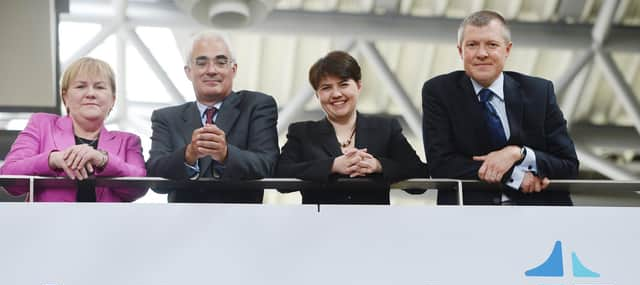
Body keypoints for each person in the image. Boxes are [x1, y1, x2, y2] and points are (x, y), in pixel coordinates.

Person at [422, 10, 578, 205]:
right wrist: (515, 177)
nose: (481, 53)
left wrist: (518, 154)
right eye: (472, 45)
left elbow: (569, 165)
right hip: (470, 217)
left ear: (507, 50)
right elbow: (440, 165)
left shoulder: (539, 92)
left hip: (540, 216)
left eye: (492, 45)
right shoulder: (439, 92)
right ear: (461, 51)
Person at [276, 51, 427, 204]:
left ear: (358, 86)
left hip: (373, 225)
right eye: (326, 88)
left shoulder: (385, 129)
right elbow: (280, 175)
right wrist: (332, 166)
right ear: (317, 94)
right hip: (319, 224)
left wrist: (379, 166)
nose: (336, 94)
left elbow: (420, 178)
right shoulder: (303, 133)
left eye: (344, 85)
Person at [146, 31, 279, 203]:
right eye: (201, 63)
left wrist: (226, 154)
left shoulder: (257, 106)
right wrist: (188, 155)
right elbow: (155, 177)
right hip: (183, 223)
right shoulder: (166, 118)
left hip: (242, 222)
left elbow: (268, 165)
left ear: (234, 69)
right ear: (188, 71)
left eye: (221, 62)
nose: (211, 70)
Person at [0, 57, 147, 202]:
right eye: (80, 86)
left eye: (100, 87)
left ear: (112, 100)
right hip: (49, 224)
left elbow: (139, 188)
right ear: (65, 97)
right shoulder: (41, 124)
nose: (91, 94)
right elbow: (9, 179)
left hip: (108, 225)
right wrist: (52, 160)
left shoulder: (129, 141)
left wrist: (104, 160)